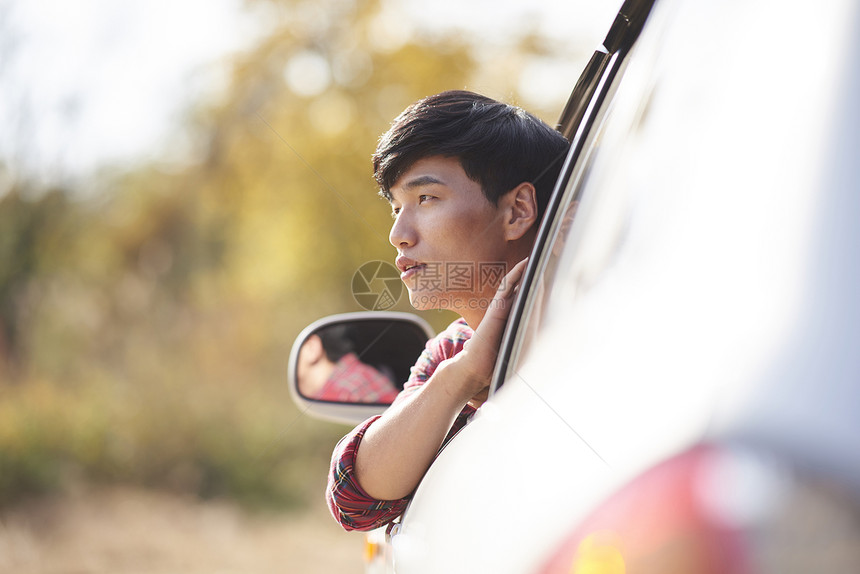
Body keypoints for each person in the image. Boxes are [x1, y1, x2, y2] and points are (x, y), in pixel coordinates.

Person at [326, 90, 570, 531]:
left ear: (517, 211)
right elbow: (355, 500)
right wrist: (462, 376)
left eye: (426, 199)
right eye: (396, 208)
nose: (398, 235)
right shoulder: (453, 349)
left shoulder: (592, 318)